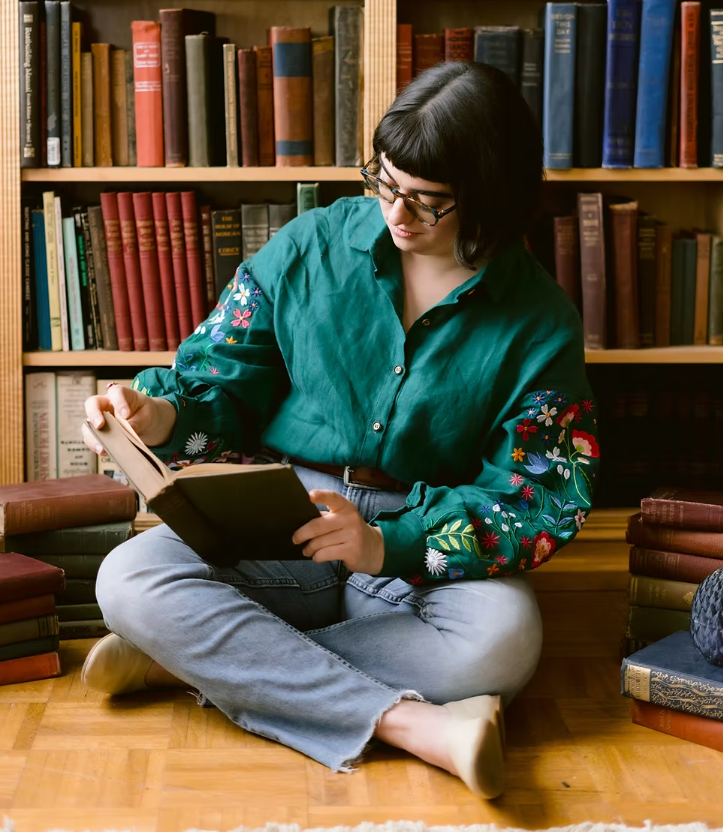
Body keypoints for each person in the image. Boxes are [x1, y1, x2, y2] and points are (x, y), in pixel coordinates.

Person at [80, 61, 599, 800]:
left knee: (502, 643)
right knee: (128, 579)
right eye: (384, 183)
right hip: (282, 514)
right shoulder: (308, 245)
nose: (396, 213)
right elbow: (218, 382)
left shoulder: (539, 322)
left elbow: (540, 497)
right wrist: (157, 415)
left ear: (491, 196)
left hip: (420, 540)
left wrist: (388, 542)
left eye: (427, 201)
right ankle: (414, 726)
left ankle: (189, 660)